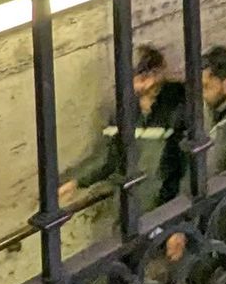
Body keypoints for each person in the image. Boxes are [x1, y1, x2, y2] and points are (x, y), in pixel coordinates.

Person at [59, 44, 188, 211]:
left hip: (168, 206)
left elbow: (190, 162)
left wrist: (183, 208)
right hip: (133, 207)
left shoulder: (179, 102)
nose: (149, 83)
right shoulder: (122, 111)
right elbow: (107, 157)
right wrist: (76, 181)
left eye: (152, 74)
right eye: (141, 77)